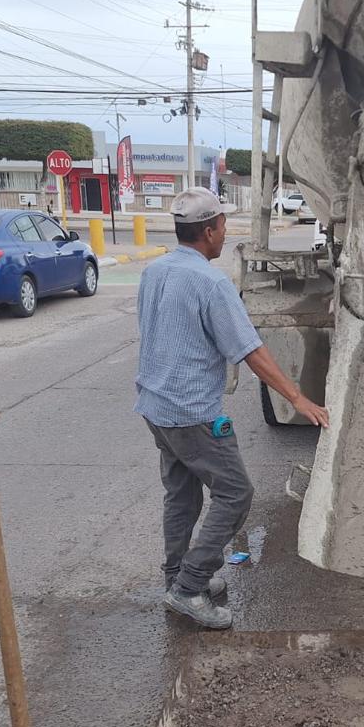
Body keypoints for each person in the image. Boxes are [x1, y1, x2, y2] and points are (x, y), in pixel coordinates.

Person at [136, 187, 329, 629]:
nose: (225, 233)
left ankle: (177, 578)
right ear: (208, 232)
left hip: (155, 406)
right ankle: (189, 588)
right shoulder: (211, 283)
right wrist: (298, 399)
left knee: (181, 496)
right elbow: (251, 351)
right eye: (223, 225)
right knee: (236, 493)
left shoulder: (155, 271)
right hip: (191, 412)